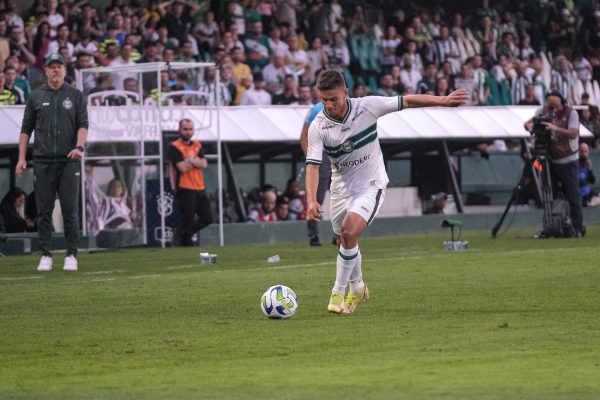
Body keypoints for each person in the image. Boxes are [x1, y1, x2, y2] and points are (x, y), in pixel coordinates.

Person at [305, 69, 468, 314]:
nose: (328, 105)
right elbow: (313, 166)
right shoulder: (318, 127)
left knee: (349, 233)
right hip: (340, 188)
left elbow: (408, 100)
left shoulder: (368, 107)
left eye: (333, 99)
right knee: (344, 240)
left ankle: (337, 293)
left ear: (346, 93)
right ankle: (358, 286)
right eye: (324, 100)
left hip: (371, 183)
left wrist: (442, 101)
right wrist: (310, 200)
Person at [16, 54, 88, 272]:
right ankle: (45, 254)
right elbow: (25, 129)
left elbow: (83, 125)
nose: (56, 70)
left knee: (70, 210)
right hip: (43, 161)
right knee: (43, 211)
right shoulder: (35, 96)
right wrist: (21, 158)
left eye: (59, 66)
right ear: (45, 71)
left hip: (68, 161)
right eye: (51, 67)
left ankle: (71, 255)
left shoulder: (75, 95)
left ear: (64, 70)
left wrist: (79, 147)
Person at [524, 90, 584, 236]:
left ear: (560, 100)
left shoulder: (571, 113)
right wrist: (530, 127)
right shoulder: (543, 110)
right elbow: (528, 123)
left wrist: (555, 128)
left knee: (572, 195)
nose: (551, 105)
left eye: (554, 101)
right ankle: (552, 225)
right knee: (549, 193)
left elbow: (574, 133)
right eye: (549, 101)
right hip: (550, 159)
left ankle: (577, 227)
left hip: (568, 159)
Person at [168, 118, 213, 246]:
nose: (188, 132)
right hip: (185, 188)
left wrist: (189, 160)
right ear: (179, 130)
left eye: (190, 129)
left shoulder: (197, 144)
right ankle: (186, 245)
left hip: (199, 187)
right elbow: (181, 167)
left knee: (208, 217)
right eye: (185, 129)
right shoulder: (174, 146)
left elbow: (204, 164)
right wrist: (194, 161)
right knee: (188, 220)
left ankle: (182, 233)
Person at [300, 96, 329, 246]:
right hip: (322, 155)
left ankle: (341, 232)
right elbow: (303, 136)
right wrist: (311, 158)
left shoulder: (345, 105)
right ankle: (313, 234)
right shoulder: (317, 109)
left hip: (339, 154)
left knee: (344, 195)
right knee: (317, 197)